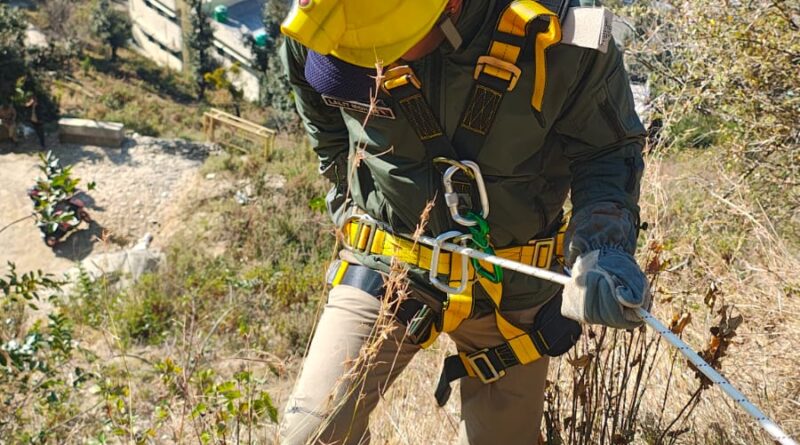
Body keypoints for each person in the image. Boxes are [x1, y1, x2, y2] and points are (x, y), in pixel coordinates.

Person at [278, 0, 652, 444]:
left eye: (389, 46)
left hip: (513, 278)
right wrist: (349, 196)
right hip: (392, 259)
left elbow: (607, 151)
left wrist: (601, 246)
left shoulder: (561, 34)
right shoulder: (326, 23)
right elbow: (323, 120)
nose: (372, 63)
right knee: (312, 433)